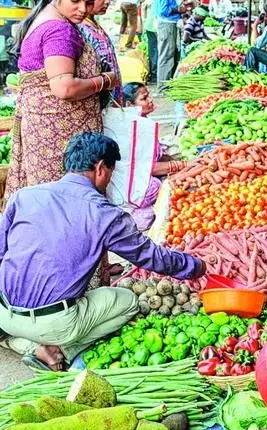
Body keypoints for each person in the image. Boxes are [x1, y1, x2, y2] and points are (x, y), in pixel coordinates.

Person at [0, 132, 205, 371]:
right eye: (111, 172)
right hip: (54, 323)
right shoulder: (105, 213)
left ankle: (26, 343)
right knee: (127, 301)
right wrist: (195, 266)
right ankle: (62, 351)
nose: (109, 179)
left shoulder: (25, 195)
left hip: (3, 312)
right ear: (100, 168)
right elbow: (150, 257)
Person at [4, 0, 117, 202]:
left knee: (50, 203)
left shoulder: (47, 18)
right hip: (58, 138)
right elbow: (64, 87)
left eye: (89, 2)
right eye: (75, 1)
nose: (83, 9)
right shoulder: (59, 30)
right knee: (67, 202)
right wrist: (105, 81)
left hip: (43, 133)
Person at [119, 82, 187, 230]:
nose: (150, 100)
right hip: (133, 186)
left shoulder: (141, 123)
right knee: (165, 186)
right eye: (144, 98)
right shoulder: (136, 129)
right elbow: (149, 168)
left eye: (148, 96)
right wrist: (182, 166)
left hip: (135, 179)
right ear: (130, 105)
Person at [79, 0, 124, 106]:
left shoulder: (94, 25)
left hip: (113, 94)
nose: (107, 2)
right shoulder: (81, 29)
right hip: (101, 98)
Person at [156, 0, 193, 85]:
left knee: (172, 55)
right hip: (167, 25)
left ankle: (168, 84)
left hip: (172, 24)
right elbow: (163, 11)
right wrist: (179, 9)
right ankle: (162, 86)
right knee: (166, 56)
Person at [140, 0, 157, 82]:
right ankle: (154, 74)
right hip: (154, 26)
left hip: (150, 25)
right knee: (155, 51)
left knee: (153, 50)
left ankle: (152, 73)